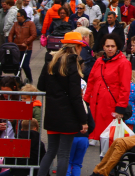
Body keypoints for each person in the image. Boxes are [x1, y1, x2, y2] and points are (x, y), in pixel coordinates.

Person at [36, 32, 89, 176]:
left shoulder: (51, 60)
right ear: (77, 47)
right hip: (68, 116)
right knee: (64, 154)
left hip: (52, 113)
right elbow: (75, 96)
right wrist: (83, 120)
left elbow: (41, 85)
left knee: (51, 151)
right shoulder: (73, 64)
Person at [83, 32, 131, 143]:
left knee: (109, 138)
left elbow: (125, 88)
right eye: (107, 46)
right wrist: (86, 101)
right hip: (96, 104)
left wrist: (120, 108)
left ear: (117, 47)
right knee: (99, 136)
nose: (110, 49)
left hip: (111, 106)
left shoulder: (123, 63)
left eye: (112, 46)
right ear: (103, 47)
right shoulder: (99, 61)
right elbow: (91, 82)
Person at [8, 9, 37, 82]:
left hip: (26, 48)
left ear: (23, 16)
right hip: (17, 48)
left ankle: (30, 80)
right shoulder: (16, 24)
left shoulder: (30, 24)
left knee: (25, 65)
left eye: (18, 16)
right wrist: (11, 43)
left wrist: (26, 42)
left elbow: (33, 35)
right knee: (16, 65)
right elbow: (11, 34)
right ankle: (18, 80)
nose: (16, 18)